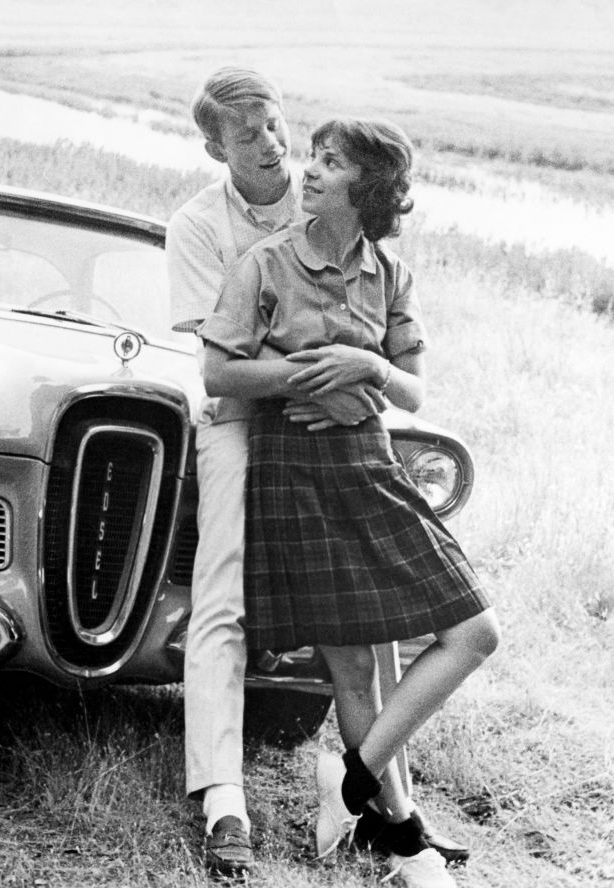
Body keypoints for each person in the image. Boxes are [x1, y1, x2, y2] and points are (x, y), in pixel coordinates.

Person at [168, 69, 466, 879]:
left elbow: (399, 371)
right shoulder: (203, 227)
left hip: (346, 437)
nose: (273, 147)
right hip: (247, 426)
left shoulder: (346, 224)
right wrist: (329, 380)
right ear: (214, 148)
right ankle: (226, 795)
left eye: (275, 126)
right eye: (248, 136)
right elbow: (221, 364)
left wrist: (358, 378)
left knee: (378, 640)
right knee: (222, 599)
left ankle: (377, 798)